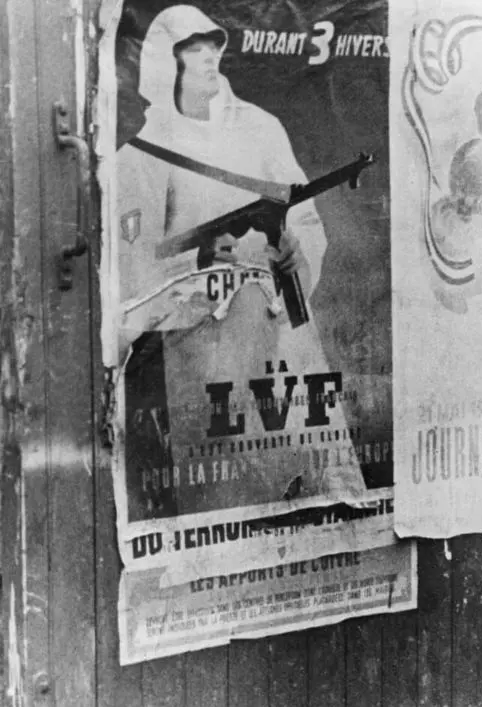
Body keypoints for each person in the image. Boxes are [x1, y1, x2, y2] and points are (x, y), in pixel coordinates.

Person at [113, 4, 364, 517]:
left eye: (212, 46)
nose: (209, 59)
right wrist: (195, 261)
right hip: (208, 351)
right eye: (192, 51)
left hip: (284, 342)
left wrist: (295, 248)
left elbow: (306, 220)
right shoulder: (141, 156)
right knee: (234, 500)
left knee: (315, 493)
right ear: (167, 65)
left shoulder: (261, 129)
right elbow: (128, 273)